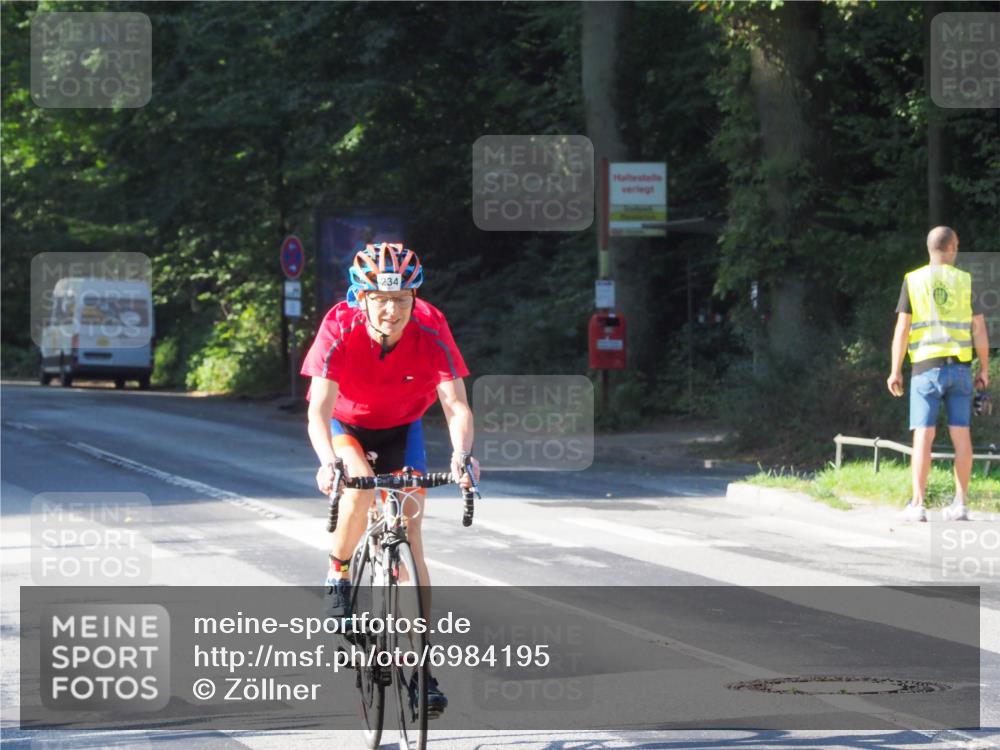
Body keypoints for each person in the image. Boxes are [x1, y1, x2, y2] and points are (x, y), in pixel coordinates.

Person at [300, 242, 480, 716]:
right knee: (358, 487)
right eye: (380, 299)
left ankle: (422, 669)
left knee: (412, 535)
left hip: (404, 427)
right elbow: (317, 411)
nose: (392, 309)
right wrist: (327, 461)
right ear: (360, 298)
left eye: (402, 299)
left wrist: (462, 455)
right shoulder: (338, 326)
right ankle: (338, 571)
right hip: (348, 427)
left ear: (414, 298)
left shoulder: (430, 324)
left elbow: (456, 404)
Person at [887, 226, 990, 521]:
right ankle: (960, 503)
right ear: (951, 247)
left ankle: (918, 505)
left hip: (925, 371)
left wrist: (895, 370)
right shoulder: (967, 281)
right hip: (959, 369)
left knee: (924, 434)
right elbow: (979, 329)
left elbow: (903, 329)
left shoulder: (913, 280)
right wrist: (983, 369)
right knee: (961, 435)